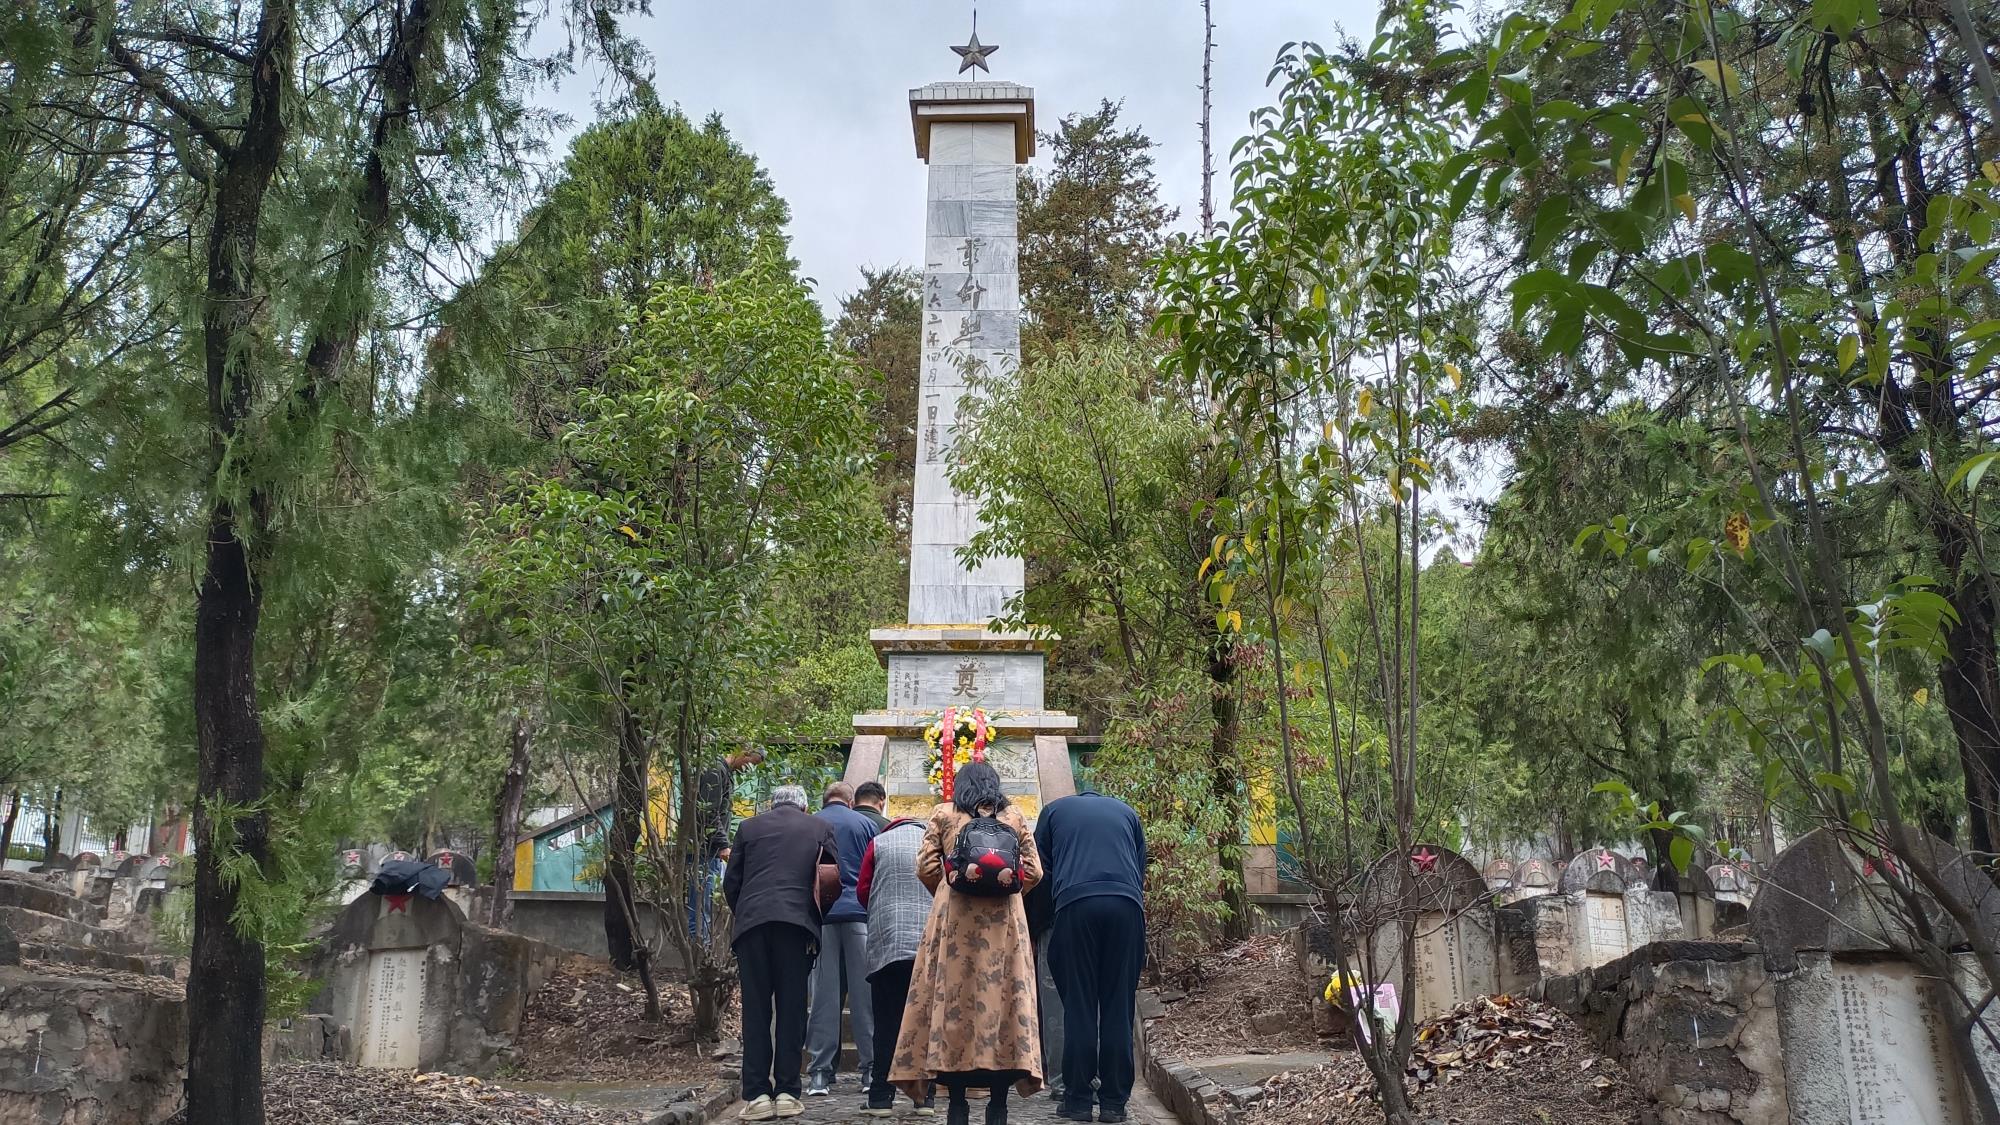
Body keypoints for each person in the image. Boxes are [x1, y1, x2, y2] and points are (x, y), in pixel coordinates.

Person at [889, 762, 1043, 1125]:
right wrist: (1008, 892)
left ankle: (957, 1103)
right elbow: (1034, 871)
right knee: (1005, 1005)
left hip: (954, 924)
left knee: (952, 1003)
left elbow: (926, 867)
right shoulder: (1015, 817)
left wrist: (948, 890)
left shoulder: (943, 814)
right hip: (1004, 926)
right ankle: (999, 1105)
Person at [1034, 789, 1145, 1123]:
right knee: (1118, 1006)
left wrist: (1040, 923)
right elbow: (1139, 867)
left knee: (1079, 1006)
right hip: (1126, 906)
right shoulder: (1127, 811)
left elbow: (1040, 872)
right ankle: (1113, 1103)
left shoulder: (1053, 811)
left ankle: (1079, 1100)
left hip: (1076, 905)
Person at [724, 784, 834, 1121]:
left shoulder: (748, 827)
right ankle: (787, 1091)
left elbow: (732, 881)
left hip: (752, 926)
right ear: (803, 807)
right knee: (792, 1008)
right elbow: (830, 881)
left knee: (756, 1009)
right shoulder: (818, 827)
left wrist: (745, 914)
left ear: (773, 806)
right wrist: (815, 922)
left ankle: (757, 1095)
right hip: (796, 927)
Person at [856, 811, 934, 1117]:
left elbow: (863, 890)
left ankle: (880, 1097)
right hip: (927, 946)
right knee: (924, 1023)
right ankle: (925, 1099)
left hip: (888, 944)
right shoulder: (933, 844)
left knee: (886, 1022)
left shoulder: (879, 842)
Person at [807, 781, 879, 1096]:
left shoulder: (811, 823)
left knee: (824, 996)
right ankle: (870, 1071)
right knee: (865, 998)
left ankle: (820, 1073)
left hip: (822, 917)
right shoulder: (865, 824)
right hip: (859, 916)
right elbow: (873, 871)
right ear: (851, 801)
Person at [691, 748, 764, 941]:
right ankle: (699, 951)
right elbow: (707, 812)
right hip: (706, 849)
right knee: (700, 908)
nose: (749, 769)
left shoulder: (724, 772)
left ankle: (702, 950)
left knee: (705, 906)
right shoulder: (715, 771)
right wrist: (723, 844)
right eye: (751, 763)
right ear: (744, 753)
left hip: (711, 849)